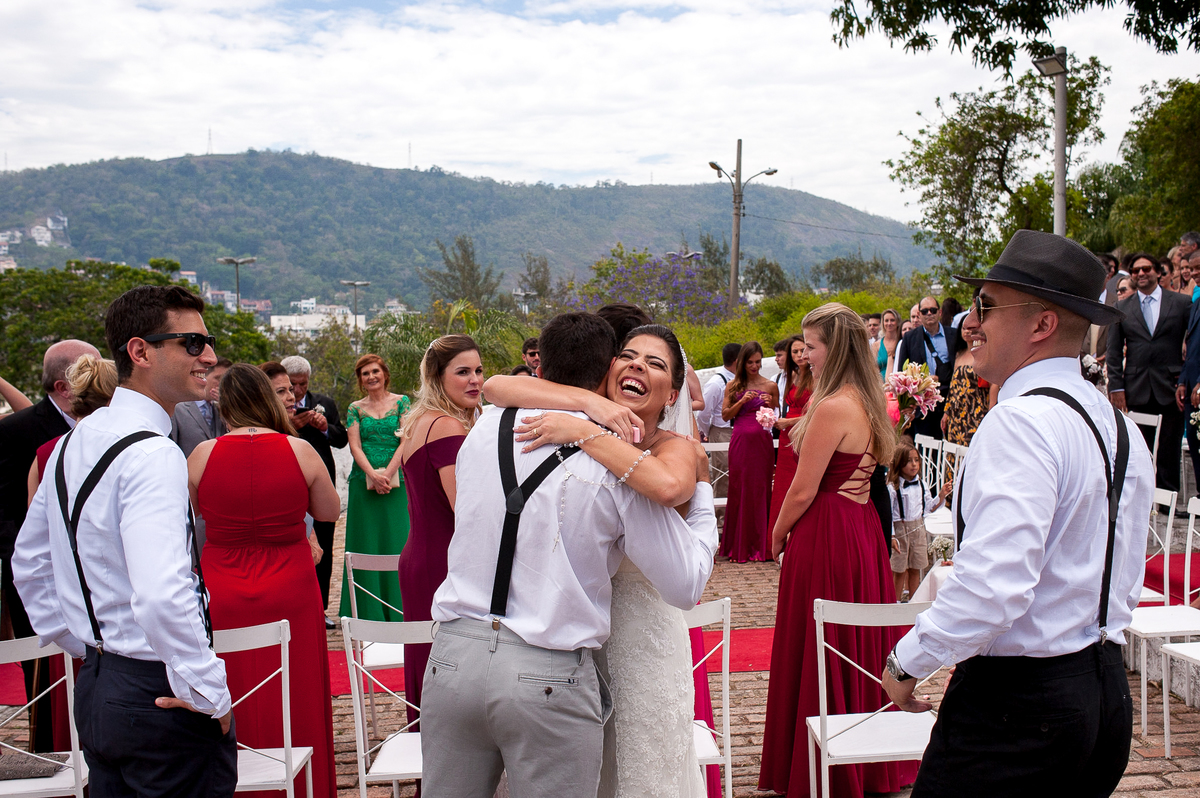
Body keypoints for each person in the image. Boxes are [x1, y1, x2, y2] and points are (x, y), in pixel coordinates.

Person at [883, 229, 1154, 796]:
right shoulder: (1120, 427)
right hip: (1104, 692)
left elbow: (995, 587)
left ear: (1041, 325)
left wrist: (908, 661)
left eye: (986, 306)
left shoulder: (1021, 422)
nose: (969, 323)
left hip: (1020, 706)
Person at [421, 313, 717, 798]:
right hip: (547, 674)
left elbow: (497, 387)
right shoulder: (618, 463)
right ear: (606, 375)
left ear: (539, 368)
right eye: (627, 358)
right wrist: (703, 500)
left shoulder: (482, 428)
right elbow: (686, 585)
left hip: (453, 660)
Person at [15, 285, 236, 795]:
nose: (209, 355)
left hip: (99, 686)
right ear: (140, 352)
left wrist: (86, 647)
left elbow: (29, 564)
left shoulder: (74, 440)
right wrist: (210, 692)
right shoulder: (152, 453)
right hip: (157, 692)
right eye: (192, 343)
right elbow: (163, 593)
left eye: (208, 342)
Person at [759, 303, 914, 798]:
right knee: (854, 640)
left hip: (827, 530)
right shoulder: (869, 402)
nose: (805, 356)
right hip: (860, 527)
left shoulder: (832, 407)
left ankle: (820, 763)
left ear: (836, 347)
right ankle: (866, 760)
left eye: (813, 346)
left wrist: (776, 535)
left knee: (821, 639)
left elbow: (803, 490)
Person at [187, 363, 339, 798]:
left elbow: (195, 512)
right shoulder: (299, 450)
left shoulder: (202, 454)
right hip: (290, 581)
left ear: (225, 404)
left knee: (230, 686)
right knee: (297, 689)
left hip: (223, 585)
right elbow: (329, 511)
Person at [0, 338, 100, 752]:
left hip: (93, 574)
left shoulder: (103, 426)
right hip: (39, 574)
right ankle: (51, 750)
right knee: (41, 670)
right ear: (64, 386)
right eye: (89, 372)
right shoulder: (17, 431)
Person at [24, 354, 117, 755]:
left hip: (72, 607)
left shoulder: (48, 453)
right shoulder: (137, 449)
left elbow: (36, 545)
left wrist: (58, 626)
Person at [397, 335, 483, 725]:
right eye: (462, 372)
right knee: (449, 671)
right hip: (443, 562)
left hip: (421, 554)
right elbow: (465, 509)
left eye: (479, 371)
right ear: (436, 376)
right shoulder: (447, 426)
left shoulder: (420, 420)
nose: (475, 380)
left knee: (430, 665)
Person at [1106, 251, 1190, 493]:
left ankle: (1168, 497)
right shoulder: (1121, 307)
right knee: (1138, 447)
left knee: (1169, 446)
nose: (1140, 273)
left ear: (1158, 272)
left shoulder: (1181, 303)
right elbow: (1113, 352)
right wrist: (1116, 387)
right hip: (1136, 387)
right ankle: (1141, 497)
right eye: (1135, 271)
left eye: (1146, 269)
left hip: (1171, 386)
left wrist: (1186, 377)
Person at [338, 353, 410, 621]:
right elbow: (354, 445)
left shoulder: (402, 403)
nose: (371, 377)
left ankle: (400, 608)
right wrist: (372, 475)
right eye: (365, 373)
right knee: (365, 543)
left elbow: (406, 440)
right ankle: (367, 612)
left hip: (397, 483)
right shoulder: (355, 408)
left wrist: (389, 473)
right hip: (363, 485)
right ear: (360, 379)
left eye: (375, 372)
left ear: (384, 374)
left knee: (398, 541)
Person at [281, 355, 349, 627]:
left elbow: (342, 439)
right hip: (289, 483)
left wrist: (325, 429)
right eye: (292, 385)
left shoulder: (325, 403)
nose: (297, 391)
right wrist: (291, 428)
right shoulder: (277, 406)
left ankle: (320, 609)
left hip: (320, 485)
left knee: (325, 546)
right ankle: (292, 609)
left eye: (302, 384)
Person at [718, 341, 778, 563]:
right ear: (743, 362)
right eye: (751, 362)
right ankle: (738, 546)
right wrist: (741, 401)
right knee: (739, 488)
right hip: (741, 440)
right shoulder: (733, 385)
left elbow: (774, 416)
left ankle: (762, 546)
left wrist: (770, 403)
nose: (755, 366)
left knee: (761, 489)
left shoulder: (770, 385)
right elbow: (725, 416)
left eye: (758, 362)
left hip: (762, 442)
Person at [887, 443, 949, 602]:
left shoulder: (922, 484)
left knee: (916, 568)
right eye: (909, 461)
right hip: (901, 531)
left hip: (918, 528)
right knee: (899, 570)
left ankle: (914, 602)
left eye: (916, 460)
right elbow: (889, 514)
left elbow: (929, 507)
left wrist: (941, 495)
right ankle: (895, 602)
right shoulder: (893, 487)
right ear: (899, 464)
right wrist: (892, 536)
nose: (914, 464)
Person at [769, 335, 813, 534]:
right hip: (787, 434)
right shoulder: (792, 376)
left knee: (800, 482)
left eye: (802, 350)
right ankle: (777, 537)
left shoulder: (815, 377)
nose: (798, 355)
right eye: (794, 352)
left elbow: (816, 413)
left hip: (804, 430)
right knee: (783, 483)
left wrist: (789, 421)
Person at [893, 296, 953, 439]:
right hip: (922, 406)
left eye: (932, 310)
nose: (929, 314)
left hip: (949, 402)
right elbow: (903, 374)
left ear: (940, 312)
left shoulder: (954, 335)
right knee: (925, 453)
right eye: (925, 311)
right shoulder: (910, 338)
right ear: (919, 315)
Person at [941, 308, 998, 447]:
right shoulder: (958, 355)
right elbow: (953, 386)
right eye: (963, 328)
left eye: (970, 329)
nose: (967, 331)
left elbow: (994, 383)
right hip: (956, 412)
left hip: (977, 410)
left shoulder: (984, 353)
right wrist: (946, 413)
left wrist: (991, 409)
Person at [697, 342, 741, 510]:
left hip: (738, 431)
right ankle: (721, 521)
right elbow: (703, 413)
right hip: (721, 431)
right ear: (737, 360)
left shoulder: (739, 380)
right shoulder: (717, 382)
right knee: (724, 476)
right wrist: (709, 432)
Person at [169, 357, 231, 457]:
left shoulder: (222, 410)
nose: (222, 384)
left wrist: (226, 406)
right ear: (204, 377)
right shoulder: (178, 407)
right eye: (218, 378)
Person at [872, 309, 901, 379]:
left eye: (892, 320)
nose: (889, 323)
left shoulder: (901, 343)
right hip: (880, 384)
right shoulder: (876, 345)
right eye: (886, 321)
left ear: (897, 322)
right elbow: (874, 369)